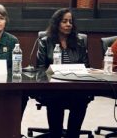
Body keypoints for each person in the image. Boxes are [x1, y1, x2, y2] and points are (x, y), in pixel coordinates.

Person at [34, 8, 91, 137]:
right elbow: (40, 68)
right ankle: (55, 134)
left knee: (81, 100)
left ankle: (73, 135)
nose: (68, 24)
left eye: (70, 21)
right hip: (53, 87)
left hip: (75, 86)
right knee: (55, 100)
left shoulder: (79, 42)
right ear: (57, 23)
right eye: (64, 21)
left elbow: (86, 67)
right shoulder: (45, 41)